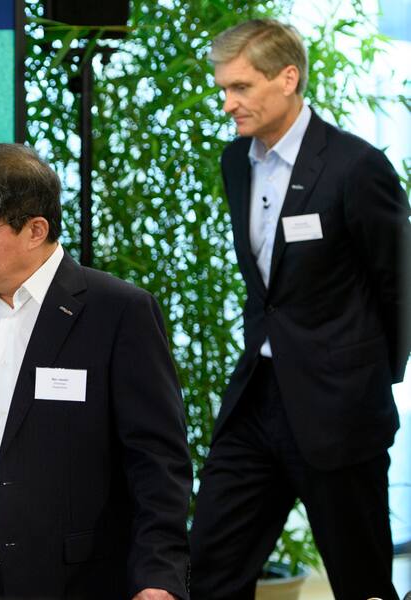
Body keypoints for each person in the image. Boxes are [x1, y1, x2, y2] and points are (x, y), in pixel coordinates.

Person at [190, 19, 411, 600]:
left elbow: (399, 284)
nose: (227, 103)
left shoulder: (355, 167)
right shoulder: (236, 161)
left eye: (240, 88)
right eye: (222, 90)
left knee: (362, 581)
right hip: (257, 398)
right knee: (209, 565)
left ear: (288, 78)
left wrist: (368, 377)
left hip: (339, 408)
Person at [0, 143, 192, 599]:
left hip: (76, 581)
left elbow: (157, 461)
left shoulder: (117, 312)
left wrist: (158, 575)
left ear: (34, 230)